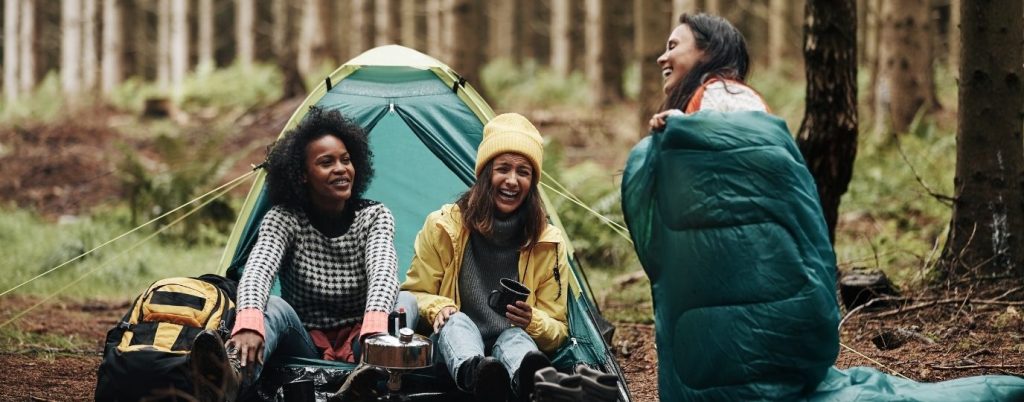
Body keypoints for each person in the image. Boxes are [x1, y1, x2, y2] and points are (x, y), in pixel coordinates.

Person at [224, 107, 400, 388]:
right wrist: (248, 322)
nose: (341, 169)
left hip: (364, 342)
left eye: (346, 160)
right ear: (303, 174)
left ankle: (367, 382)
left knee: (405, 303)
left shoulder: (375, 216)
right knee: (274, 306)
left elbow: (384, 273)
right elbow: (258, 270)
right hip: (306, 342)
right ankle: (231, 378)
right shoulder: (284, 218)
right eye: (326, 162)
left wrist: (374, 329)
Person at [400, 113, 570, 402]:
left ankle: (526, 383)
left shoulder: (546, 241)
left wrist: (532, 320)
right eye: (503, 168)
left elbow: (558, 330)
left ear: (533, 182)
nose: (512, 181)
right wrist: (439, 306)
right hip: (453, 347)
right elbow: (414, 294)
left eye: (524, 172)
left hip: (511, 339)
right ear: (486, 172)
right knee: (458, 323)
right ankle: (477, 376)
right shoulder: (444, 226)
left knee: (515, 338)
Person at [648, 12, 767, 131]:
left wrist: (682, 125)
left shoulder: (722, 92)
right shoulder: (705, 97)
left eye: (672, 46)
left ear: (709, 51)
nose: (660, 59)